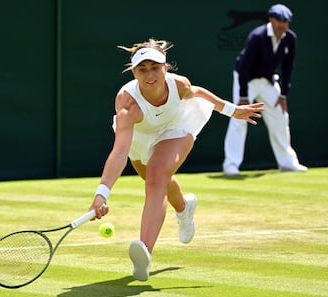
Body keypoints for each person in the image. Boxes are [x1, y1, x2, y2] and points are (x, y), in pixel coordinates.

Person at [88, 38, 264, 281]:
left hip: (175, 126)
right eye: (142, 69)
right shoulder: (128, 105)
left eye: (155, 68)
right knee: (153, 176)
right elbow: (119, 152)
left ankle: (145, 252)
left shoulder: (178, 85)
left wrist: (233, 110)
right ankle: (183, 207)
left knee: (157, 176)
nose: (150, 75)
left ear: (165, 68)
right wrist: (101, 194)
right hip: (141, 135)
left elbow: (199, 93)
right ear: (134, 72)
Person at [222, 4, 308, 176]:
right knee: (239, 118)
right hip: (246, 79)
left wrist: (283, 95)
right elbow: (245, 66)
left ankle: (288, 162)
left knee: (281, 117)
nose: (282, 25)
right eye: (279, 20)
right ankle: (231, 165)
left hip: (268, 80)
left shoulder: (290, 38)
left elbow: (288, 67)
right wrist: (244, 96)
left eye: (285, 21)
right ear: (271, 19)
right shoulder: (257, 36)